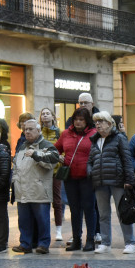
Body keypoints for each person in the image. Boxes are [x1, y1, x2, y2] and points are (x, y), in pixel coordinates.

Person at [88, 111, 135, 254]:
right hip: (100, 182)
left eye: (101, 121)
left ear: (109, 124)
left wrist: (129, 180)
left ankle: (130, 243)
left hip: (117, 181)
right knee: (103, 214)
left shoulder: (119, 138)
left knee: (123, 212)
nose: (97, 124)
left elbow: (127, 160)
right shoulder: (95, 140)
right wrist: (90, 171)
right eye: (96, 122)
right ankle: (105, 243)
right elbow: (90, 160)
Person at [11, 119, 59, 254]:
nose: (27, 132)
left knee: (42, 220)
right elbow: (16, 167)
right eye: (25, 129)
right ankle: (25, 244)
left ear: (39, 131)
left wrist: (36, 155)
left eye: (31, 129)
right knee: (24, 221)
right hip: (23, 191)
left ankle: (43, 244)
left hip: (39, 191)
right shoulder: (22, 146)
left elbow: (54, 160)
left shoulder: (47, 145)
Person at [56, 108, 97, 252]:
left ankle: (90, 240)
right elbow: (56, 149)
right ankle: (77, 240)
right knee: (74, 209)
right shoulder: (66, 134)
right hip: (70, 178)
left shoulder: (94, 134)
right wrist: (59, 157)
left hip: (87, 177)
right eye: (76, 119)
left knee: (89, 208)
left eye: (81, 119)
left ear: (87, 121)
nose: (78, 122)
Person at [39, 107, 65, 242]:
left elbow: (63, 149)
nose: (45, 116)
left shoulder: (59, 132)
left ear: (53, 117)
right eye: (43, 114)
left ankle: (59, 230)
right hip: (41, 171)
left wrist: (61, 158)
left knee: (57, 200)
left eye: (47, 114)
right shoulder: (39, 132)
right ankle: (44, 230)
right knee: (42, 201)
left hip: (55, 171)